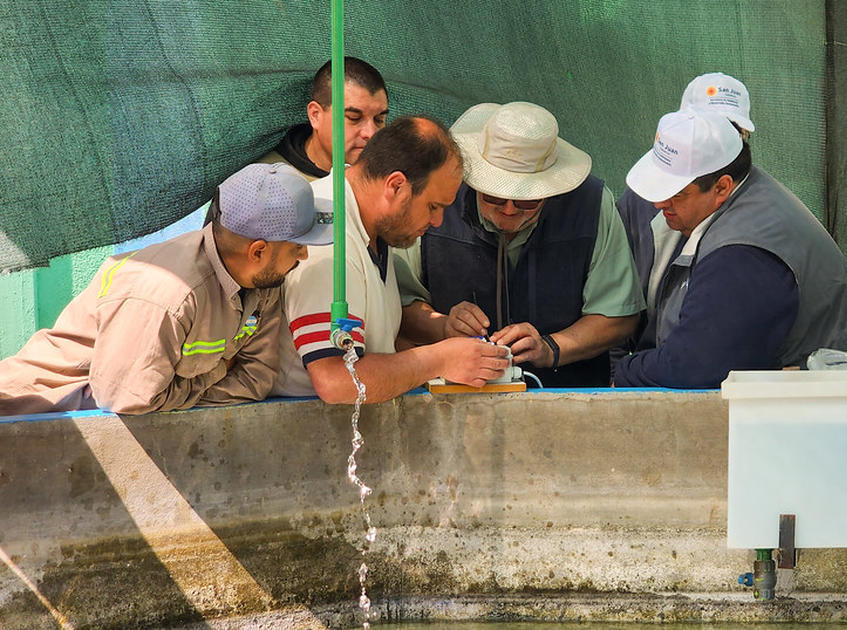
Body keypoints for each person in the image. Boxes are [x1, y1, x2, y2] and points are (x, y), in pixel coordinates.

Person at [0, 163, 331, 415]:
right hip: (34, 420)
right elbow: (128, 400)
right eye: (296, 247)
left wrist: (178, 391)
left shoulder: (264, 284)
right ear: (258, 251)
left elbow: (255, 379)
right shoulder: (167, 293)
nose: (303, 255)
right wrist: (218, 370)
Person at [613, 108, 847, 388]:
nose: (659, 204)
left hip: (840, 407)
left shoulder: (742, 250)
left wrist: (625, 370)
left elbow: (695, 363)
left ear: (721, 187)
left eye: (677, 193)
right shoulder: (749, 195)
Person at [393, 102, 644, 387]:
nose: (509, 210)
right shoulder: (437, 200)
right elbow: (399, 307)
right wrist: (443, 325)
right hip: (454, 401)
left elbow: (619, 316)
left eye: (527, 200)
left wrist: (551, 348)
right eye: (494, 197)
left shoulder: (591, 204)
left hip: (568, 402)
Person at [272, 116, 510, 402]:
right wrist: (439, 360)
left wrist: (442, 328)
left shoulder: (373, 223)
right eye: (433, 206)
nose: (437, 221)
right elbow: (336, 380)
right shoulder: (329, 244)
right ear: (396, 186)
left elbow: (375, 333)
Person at [618, 72, 756, 295]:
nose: (719, 140)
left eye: (732, 130)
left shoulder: (751, 218)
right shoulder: (640, 199)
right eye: (705, 128)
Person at [258, 57, 389, 181]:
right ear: (315, 115)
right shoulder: (271, 183)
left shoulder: (392, 179)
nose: (371, 133)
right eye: (354, 118)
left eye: (379, 119)